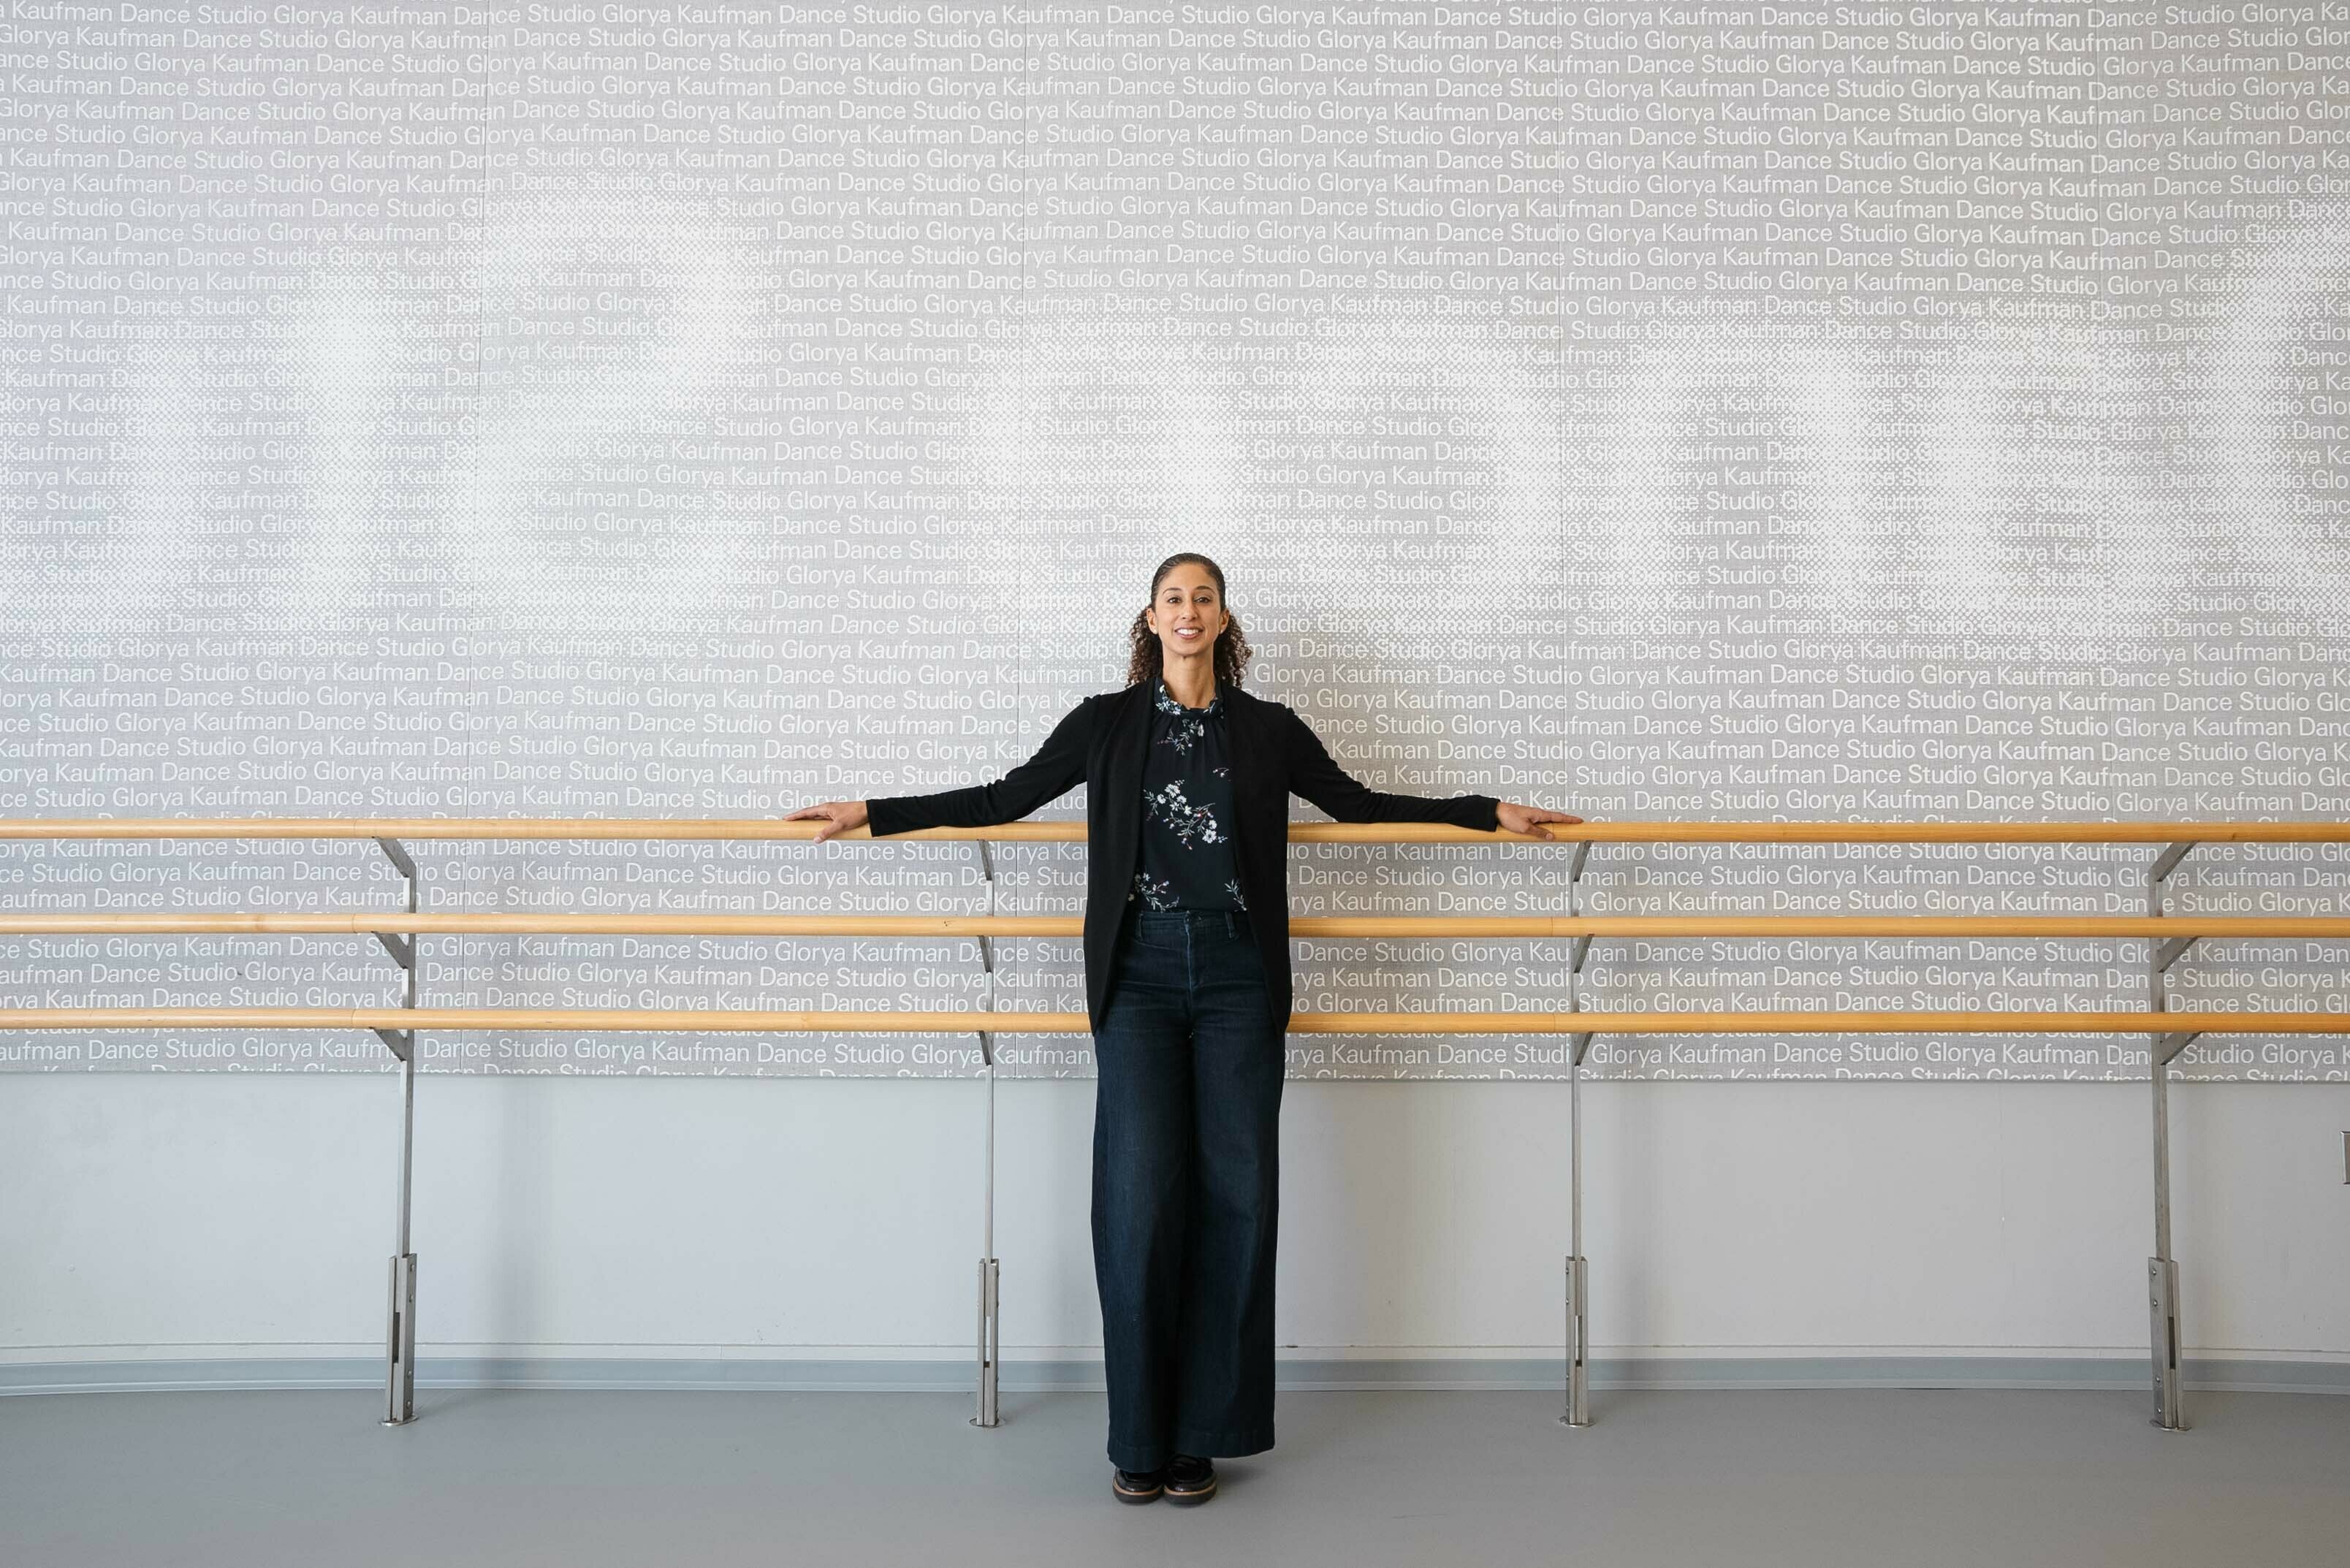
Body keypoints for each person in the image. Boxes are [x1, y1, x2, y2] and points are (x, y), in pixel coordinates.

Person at [788, 552, 1583, 1505]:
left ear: (1223, 616)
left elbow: (1359, 803)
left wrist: (1487, 811)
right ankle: (1141, 1437)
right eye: (1175, 597)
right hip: (1140, 978)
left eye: (1204, 596)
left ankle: (1204, 1432)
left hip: (1240, 977)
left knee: (1238, 1196)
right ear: (1151, 617)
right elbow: (1002, 798)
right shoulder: (1106, 723)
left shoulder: (1268, 730)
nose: (1190, 610)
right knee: (1138, 1200)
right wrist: (874, 811)